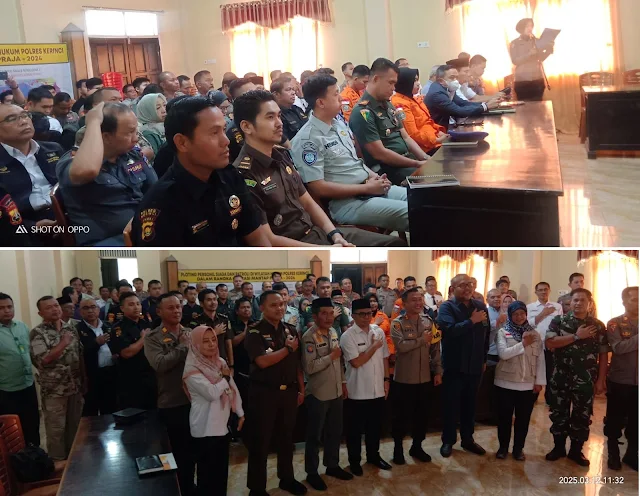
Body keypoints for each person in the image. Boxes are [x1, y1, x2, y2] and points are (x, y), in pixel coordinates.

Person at [232, 90, 403, 247]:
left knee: (394, 244)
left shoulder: (280, 155)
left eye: (279, 116)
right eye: (270, 117)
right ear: (247, 127)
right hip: (296, 247)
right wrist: (327, 250)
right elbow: (269, 240)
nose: (279, 123)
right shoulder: (244, 174)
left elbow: (307, 202)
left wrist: (335, 235)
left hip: (318, 233)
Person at [131, 97, 269, 247]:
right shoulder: (162, 203)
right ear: (182, 143)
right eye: (214, 133)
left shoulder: (230, 176)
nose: (226, 141)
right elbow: (165, 262)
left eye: (223, 130)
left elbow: (257, 239)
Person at [292, 74, 409, 234]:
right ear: (321, 102)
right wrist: (366, 189)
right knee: (414, 212)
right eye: (335, 94)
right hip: (347, 203)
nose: (341, 98)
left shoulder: (338, 124)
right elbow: (319, 188)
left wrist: (375, 177)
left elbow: (354, 161)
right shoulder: (307, 140)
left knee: (422, 199)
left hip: (367, 187)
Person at [56, 102, 157, 246]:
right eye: (130, 132)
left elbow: (155, 190)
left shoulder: (131, 155)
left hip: (143, 230)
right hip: (107, 244)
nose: (136, 139)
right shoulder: (75, 161)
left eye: (136, 131)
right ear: (106, 136)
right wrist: (93, 122)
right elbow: (88, 170)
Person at [244, 291, 307, 495]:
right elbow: (262, 361)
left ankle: (287, 479)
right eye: (273, 305)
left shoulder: (290, 329)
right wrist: (287, 350)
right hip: (264, 394)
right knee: (260, 442)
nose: (279, 308)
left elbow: (297, 364)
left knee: (286, 439)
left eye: (281, 304)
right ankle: (257, 488)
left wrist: (301, 389)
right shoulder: (254, 331)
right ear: (262, 308)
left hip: (288, 393)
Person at [545, 288, 608, 467]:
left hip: (585, 379)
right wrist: (576, 336)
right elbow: (550, 343)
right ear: (570, 302)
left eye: (582, 300)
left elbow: (603, 354)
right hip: (561, 377)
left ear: (589, 303)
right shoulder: (558, 321)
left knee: (582, 416)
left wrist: (601, 380)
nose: (578, 303)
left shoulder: (597, 325)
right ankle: (558, 448)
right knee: (559, 413)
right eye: (575, 300)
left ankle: (576, 451)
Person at [144, 293, 196, 496]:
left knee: (194, 451)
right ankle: (178, 489)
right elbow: (160, 364)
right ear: (159, 311)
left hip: (196, 400)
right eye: (171, 308)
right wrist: (182, 346)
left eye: (178, 306)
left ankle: (190, 488)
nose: (176, 311)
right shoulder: (153, 337)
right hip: (172, 401)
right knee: (176, 452)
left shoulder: (191, 332)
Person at [183, 325, 244, 496]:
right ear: (195, 344)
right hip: (204, 427)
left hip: (221, 426)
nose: (211, 344)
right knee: (207, 475)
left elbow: (233, 389)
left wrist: (240, 412)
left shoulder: (220, 362)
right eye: (205, 341)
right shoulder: (192, 368)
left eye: (213, 340)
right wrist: (224, 377)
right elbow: (211, 393)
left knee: (221, 473)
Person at [349, 58, 430, 186]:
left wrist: (426, 158)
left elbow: (406, 137)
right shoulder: (363, 112)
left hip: (407, 161)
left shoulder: (387, 105)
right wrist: (417, 164)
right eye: (390, 83)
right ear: (376, 79)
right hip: (388, 170)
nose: (393, 88)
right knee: (434, 182)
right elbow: (380, 154)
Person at [301, 298, 353, 490]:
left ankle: (332, 465)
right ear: (315, 316)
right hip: (318, 393)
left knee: (334, 432)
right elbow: (309, 367)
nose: (329, 317)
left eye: (331, 313)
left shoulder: (333, 332)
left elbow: (339, 362)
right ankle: (312, 472)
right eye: (324, 313)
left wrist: (343, 382)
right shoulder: (309, 337)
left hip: (336, 391)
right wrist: (331, 356)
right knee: (314, 436)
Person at [436, 274, 490, 458]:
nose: (468, 288)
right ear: (452, 289)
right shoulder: (447, 307)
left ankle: (468, 439)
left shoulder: (480, 307)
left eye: (470, 285)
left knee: (470, 405)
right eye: (463, 285)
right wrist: (471, 321)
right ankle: (448, 441)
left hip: (474, 365)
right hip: (454, 365)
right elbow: (450, 331)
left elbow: (485, 335)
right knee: (451, 405)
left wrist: (483, 359)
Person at [29, 296, 86, 460]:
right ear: (40, 313)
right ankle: (58, 464)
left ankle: (74, 463)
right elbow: (43, 359)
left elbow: (79, 355)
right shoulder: (37, 333)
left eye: (56, 306)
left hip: (74, 387)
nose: (55, 309)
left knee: (75, 427)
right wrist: (63, 343)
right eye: (49, 308)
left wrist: (84, 379)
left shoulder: (70, 328)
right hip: (54, 391)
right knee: (56, 431)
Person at [391, 288, 442, 464]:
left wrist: (438, 371)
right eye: (414, 300)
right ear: (404, 303)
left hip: (425, 378)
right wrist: (421, 340)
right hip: (404, 379)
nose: (418, 303)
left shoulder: (428, 321)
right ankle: (398, 448)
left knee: (422, 416)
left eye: (420, 299)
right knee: (401, 417)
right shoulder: (397, 323)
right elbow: (401, 346)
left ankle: (417, 446)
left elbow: (435, 348)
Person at [340, 298, 391, 475]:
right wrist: (374, 346)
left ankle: (373, 456)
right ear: (353, 316)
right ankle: (354, 461)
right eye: (362, 314)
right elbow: (356, 362)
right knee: (354, 430)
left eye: (369, 313)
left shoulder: (378, 331)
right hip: (357, 390)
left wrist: (386, 380)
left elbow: (384, 357)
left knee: (374, 427)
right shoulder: (348, 336)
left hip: (377, 389)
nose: (366, 317)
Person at [494, 301, 545, 461]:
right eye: (515, 314)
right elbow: (503, 354)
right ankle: (503, 448)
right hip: (505, 382)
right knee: (504, 419)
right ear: (510, 315)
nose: (519, 317)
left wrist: (539, 381)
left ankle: (518, 449)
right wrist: (522, 344)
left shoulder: (534, 334)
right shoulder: (503, 332)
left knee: (523, 420)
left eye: (522, 313)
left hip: (527, 384)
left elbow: (540, 359)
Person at [0, 103, 62, 231]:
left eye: (25, 115)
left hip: (64, 214)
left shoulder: (53, 149)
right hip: (20, 227)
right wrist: (32, 227)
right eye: (11, 119)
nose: (24, 122)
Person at [604, 286, 638, 471]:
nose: (638, 303)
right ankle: (613, 454)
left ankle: (632, 455)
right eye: (634, 299)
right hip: (621, 380)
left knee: (636, 421)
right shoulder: (614, 323)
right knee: (615, 420)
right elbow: (618, 348)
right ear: (624, 302)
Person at [0, 293, 40, 446]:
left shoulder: (22, 326)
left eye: (9, 307)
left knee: (32, 425)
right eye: (1, 308)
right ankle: (17, 460)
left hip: (28, 384)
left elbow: (30, 352)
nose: (7, 310)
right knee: (12, 433)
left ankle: (35, 456)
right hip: (6, 391)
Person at [107, 292, 156, 410]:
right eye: (131, 304)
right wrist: (143, 338)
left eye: (138, 304)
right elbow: (126, 353)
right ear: (122, 308)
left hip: (150, 376)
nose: (136, 307)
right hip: (131, 379)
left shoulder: (146, 323)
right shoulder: (118, 328)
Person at [391, 67, 448, 155]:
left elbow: (427, 122)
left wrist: (438, 132)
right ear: (405, 82)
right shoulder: (399, 104)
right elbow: (412, 133)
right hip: (424, 148)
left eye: (418, 80)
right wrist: (435, 140)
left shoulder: (413, 98)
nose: (418, 84)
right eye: (414, 80)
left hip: (433, 140)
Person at [77, 297, 117, 416]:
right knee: (91, 412)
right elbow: (78, 354)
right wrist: (96, 343)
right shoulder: (77, 330)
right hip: (91, 376)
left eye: (93, 307)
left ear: (98, 310)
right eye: (86, 308)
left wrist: (116, 354)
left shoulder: (108, 326)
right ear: (80, 312)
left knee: (110, 409)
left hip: (110, 373)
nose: (90, 311)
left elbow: (116, 345)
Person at [425, 65, 497, 129]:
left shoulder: (447, 88)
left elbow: (463, 103)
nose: (455, 81)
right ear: (441, 81)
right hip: (437, 131)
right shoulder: (437, 94)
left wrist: (485, 104)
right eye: (452, 77)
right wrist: (485, 107)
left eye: (456, 77)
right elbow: (459, 111)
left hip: (446, 127)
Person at [526, 282, 562, 404]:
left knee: (550, 371)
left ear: (549, 291)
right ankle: (533, 396)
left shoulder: (557, 306)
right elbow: (528, 325)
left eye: (545, 289)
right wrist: (543, 314)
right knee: (534, 371)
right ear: (536, 292)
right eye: (540, 290)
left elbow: (560, 325)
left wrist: (555, 343)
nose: (543, 292)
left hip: (550, 345)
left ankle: (550, 398)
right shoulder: (529, 307)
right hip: (535, 344)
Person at [510, 18, 554, 101]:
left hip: (537, 79)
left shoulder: (536, 41)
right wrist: (529, 54)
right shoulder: (514, 43)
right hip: (522, 80)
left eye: (531, 26)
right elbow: (515, 61)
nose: (530, 28)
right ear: (521, 28)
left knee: (538, 106)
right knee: (524, 107)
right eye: (527, 26)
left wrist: (549, 50)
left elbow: (540, 58)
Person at [186, 289, 234, 364]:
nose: (213, 302)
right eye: (209, 300)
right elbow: (194, 344)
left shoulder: (223, 319)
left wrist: (231, 365)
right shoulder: (196, 322)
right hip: (203, 363)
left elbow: (228, 344)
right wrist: (214, 332)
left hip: (222, 362)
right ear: (201, 303)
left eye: (214, 299)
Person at [226, 77, 258, 163]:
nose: (258, 98)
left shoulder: (260, 120)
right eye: (251, 95)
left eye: (257, 92)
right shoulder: (234, 130)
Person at [271, 77, 308, 141]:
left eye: (293, 89)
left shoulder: (297, 109)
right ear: (276, 94)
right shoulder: (277, 115)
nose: (293, 93)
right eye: (288, 90)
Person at [370, 293, 393, 371]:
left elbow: (388, 334)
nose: (372, 303)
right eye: (370, 301)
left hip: (384, 351)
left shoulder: (383, 316)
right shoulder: (363, 318)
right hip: (369, 351)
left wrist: (391, 351)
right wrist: (375, 324)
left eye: (374, 301)